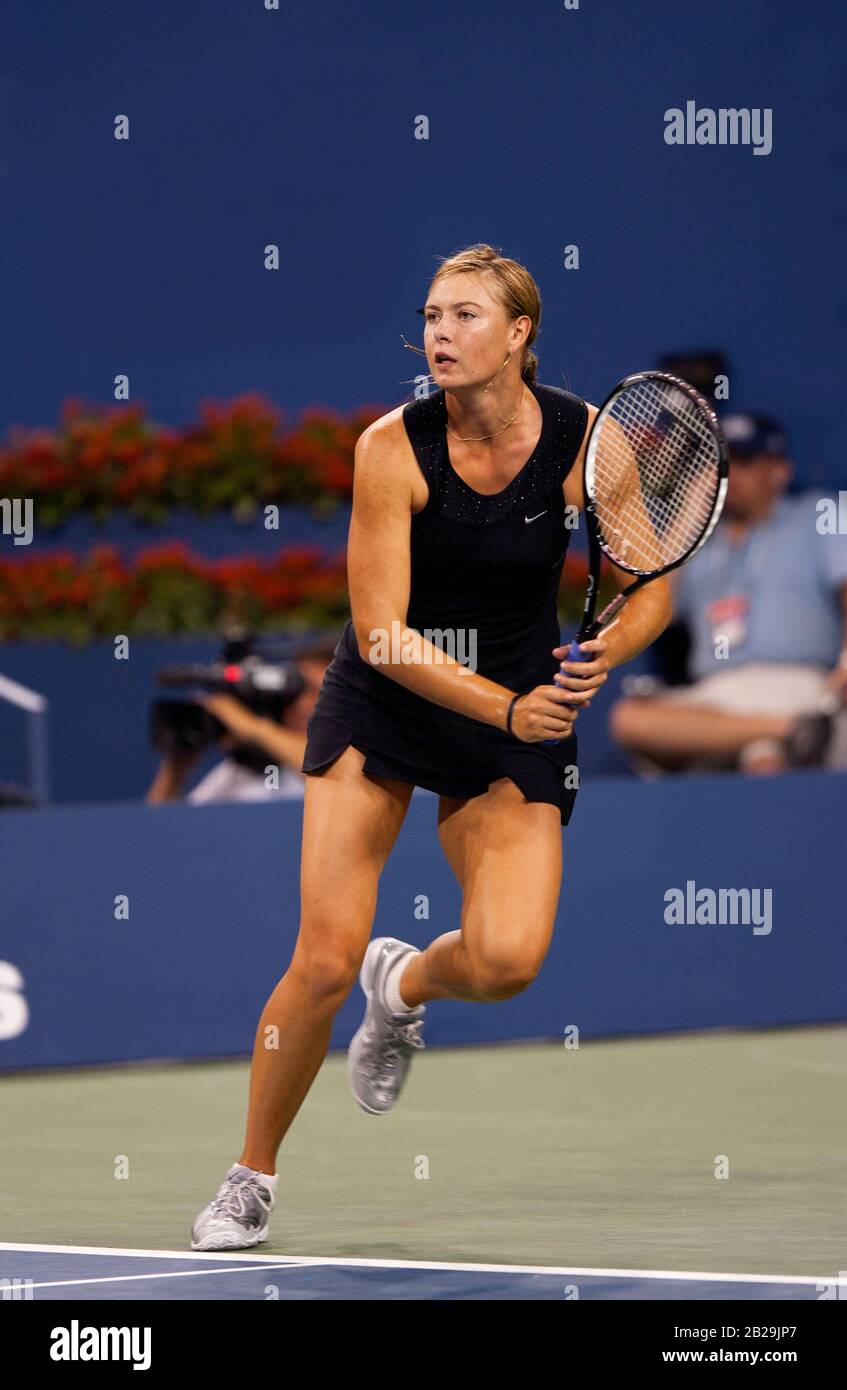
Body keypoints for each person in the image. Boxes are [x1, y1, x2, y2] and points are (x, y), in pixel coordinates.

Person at [190, 243, 672, 1250]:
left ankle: (401, 986)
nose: (438, 335)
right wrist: (508, 709)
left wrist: (598, 657)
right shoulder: (390, 448)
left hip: (520, 703)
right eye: (430, 316)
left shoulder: (592, 441)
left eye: (463, 316)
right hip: (392, 702)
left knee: (505, 961)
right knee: (322, 955)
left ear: (519, 335)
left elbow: (646, 587)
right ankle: (251, 1174)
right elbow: (379, 633)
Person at [610, 413, 847, 774]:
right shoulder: (701, 543)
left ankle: (774, 736)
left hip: (799, 683)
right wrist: (691, 507)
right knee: (630, 720)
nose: (729, 474)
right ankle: (784, 728)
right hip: (715, 697)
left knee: (766, 761)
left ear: (778, 470)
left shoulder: (818, 514)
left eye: (745, 461)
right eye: (721, 462)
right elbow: (648, 606)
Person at [146, 644, 334, 805]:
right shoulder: (243, 771)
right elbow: (155, 834)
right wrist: (175, 771)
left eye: (313, 690)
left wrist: (251, 727)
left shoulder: (351, 763)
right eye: (295, 689)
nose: (299, 703)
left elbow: (330, 774)